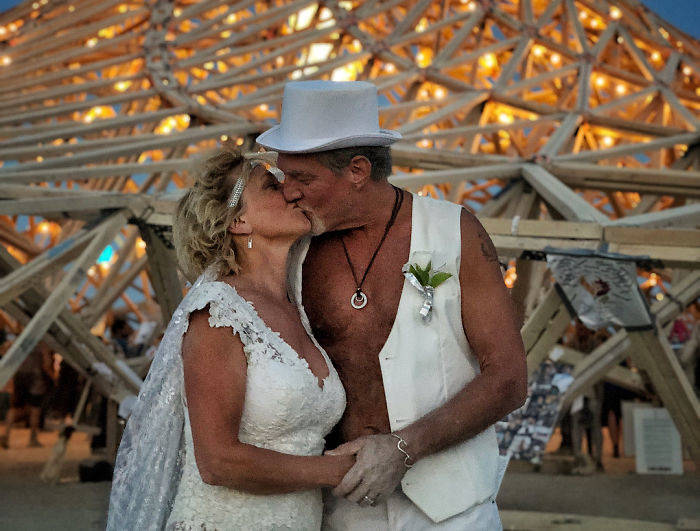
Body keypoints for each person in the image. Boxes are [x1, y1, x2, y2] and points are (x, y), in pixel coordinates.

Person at [256, 80, 528, 530]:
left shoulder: (453, 232)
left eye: (303, 178)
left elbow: (509, 377)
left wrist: (404, 448)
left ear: (358, 170)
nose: (288, 192)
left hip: (454, 512)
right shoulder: (293, 251)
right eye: (285, 176)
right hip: (338, 510)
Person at [106, 147, 350, 530]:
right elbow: (218, 461)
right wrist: (333, 472)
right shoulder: (218, 314)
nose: (292, 192)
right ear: (237, 221)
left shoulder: (296, 307)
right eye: (272, 186)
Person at [0, 343, 53, 449]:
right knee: (35, 409)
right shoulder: (42, 344)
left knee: (14, 408)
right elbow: (46, 363)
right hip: (36, 378)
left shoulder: (19, 341)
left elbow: (4, 349)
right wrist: (52, 377)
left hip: (20, 376)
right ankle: (33, 439)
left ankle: (6, 434)